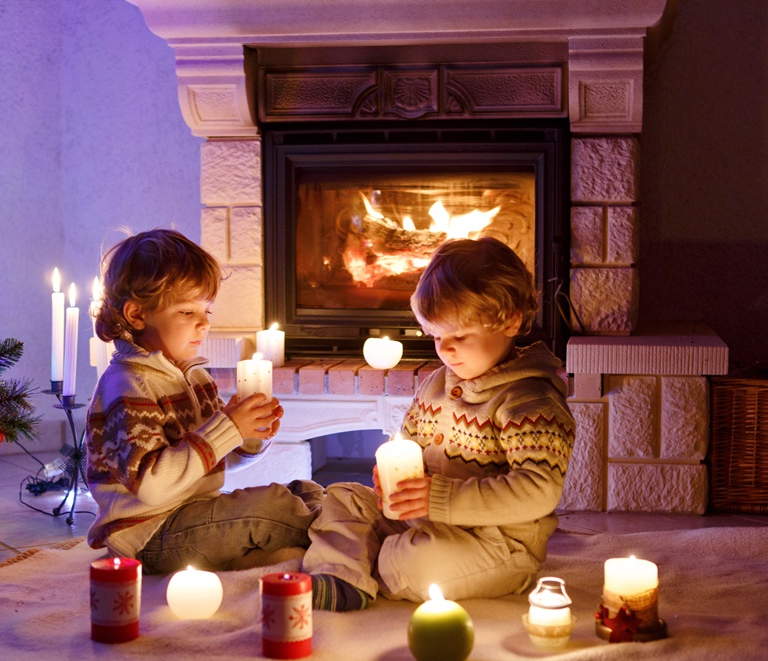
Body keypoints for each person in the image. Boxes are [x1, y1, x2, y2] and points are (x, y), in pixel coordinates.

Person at [302, 236, 576, 610]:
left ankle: (371, 557)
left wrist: (439, 498)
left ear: (511, 321)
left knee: (410, 562)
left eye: (460, 335)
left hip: (496, 544)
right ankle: (339, 576)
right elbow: (409, 442)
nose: (445, 349)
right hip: (420, 521)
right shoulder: (436, 384)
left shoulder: (529, 400)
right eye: (436, 336)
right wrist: (393, 474)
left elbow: (538, 490)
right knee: (343, 495)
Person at [85, 228, 323, 574]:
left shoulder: (194, 377)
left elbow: (214, 460)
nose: (203, 324)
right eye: (186, 312)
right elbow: (153, 486)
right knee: (272, 508)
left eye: (207, 311)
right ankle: (344, 531)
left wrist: (251, 434)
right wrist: (227, 427)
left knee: (302, 490)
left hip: (194, 513)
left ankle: (328, 520)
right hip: (150, 534)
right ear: (137, 315)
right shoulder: (128, 386)